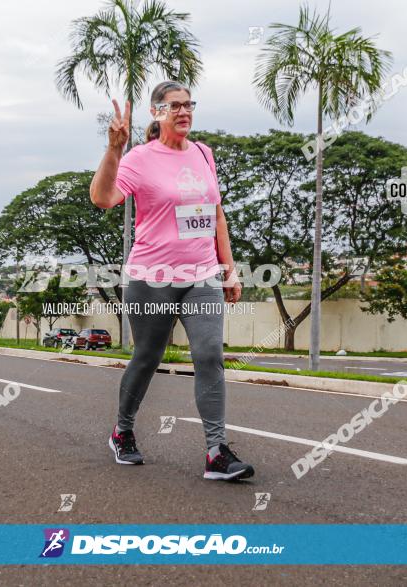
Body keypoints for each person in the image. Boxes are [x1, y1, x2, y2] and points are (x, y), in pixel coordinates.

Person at [90, 80, 254, 481]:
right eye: (175, 106)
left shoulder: (203, 153)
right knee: (148, 357)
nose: (184, 112)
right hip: (152, 277)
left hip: (200, 275)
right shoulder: (140, 158)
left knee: (210, 354)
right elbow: (102, 197)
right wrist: (114, 148)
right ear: (157, 113)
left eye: (188, 104)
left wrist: (228, 268)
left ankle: (217, 452)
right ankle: (122, 430)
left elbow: (216, 214)